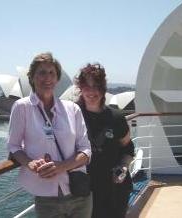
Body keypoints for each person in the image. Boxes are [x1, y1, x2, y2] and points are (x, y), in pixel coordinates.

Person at [7, 52, 92, 218]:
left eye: (52, 73)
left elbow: (86, 150)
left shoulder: (72, 109)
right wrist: (30, 163)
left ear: (57, 78)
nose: (47, 78)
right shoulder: (22, 107)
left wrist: (61, 166)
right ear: (32, 77)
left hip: (79, 192)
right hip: (46, 197)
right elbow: (13, 145)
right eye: (42, 72)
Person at [75, 63, 135, 218]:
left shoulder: (116, 117)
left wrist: (123, 167)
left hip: (115, 189)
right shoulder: (71, 116)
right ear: (80, 88)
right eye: (86, 86)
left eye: (97, 86)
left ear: (103, 88)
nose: (92, 91)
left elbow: (128, 147)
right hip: (85, 190)